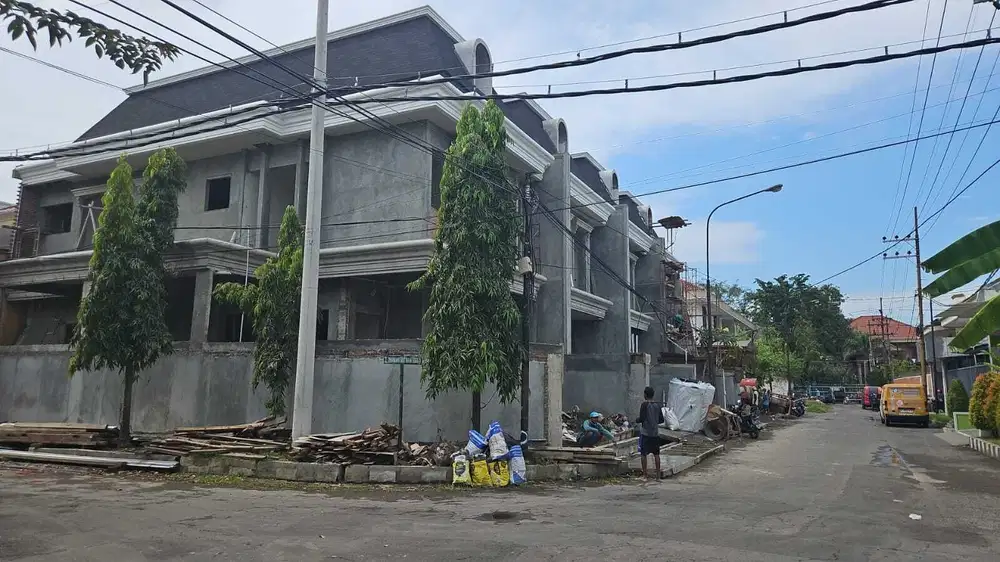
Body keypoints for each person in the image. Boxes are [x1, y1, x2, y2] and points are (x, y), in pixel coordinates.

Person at [635, 386, 664, 479]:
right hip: (655, 433)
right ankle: (658, 475)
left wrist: (637, 420)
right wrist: (654, 422)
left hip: (646, 433)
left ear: (645, 394)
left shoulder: (644, 405)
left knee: (643, 454)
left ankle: (645, 475)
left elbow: (642, 418)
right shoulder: (657, 405)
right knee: (656, 454)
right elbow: (661, 420)